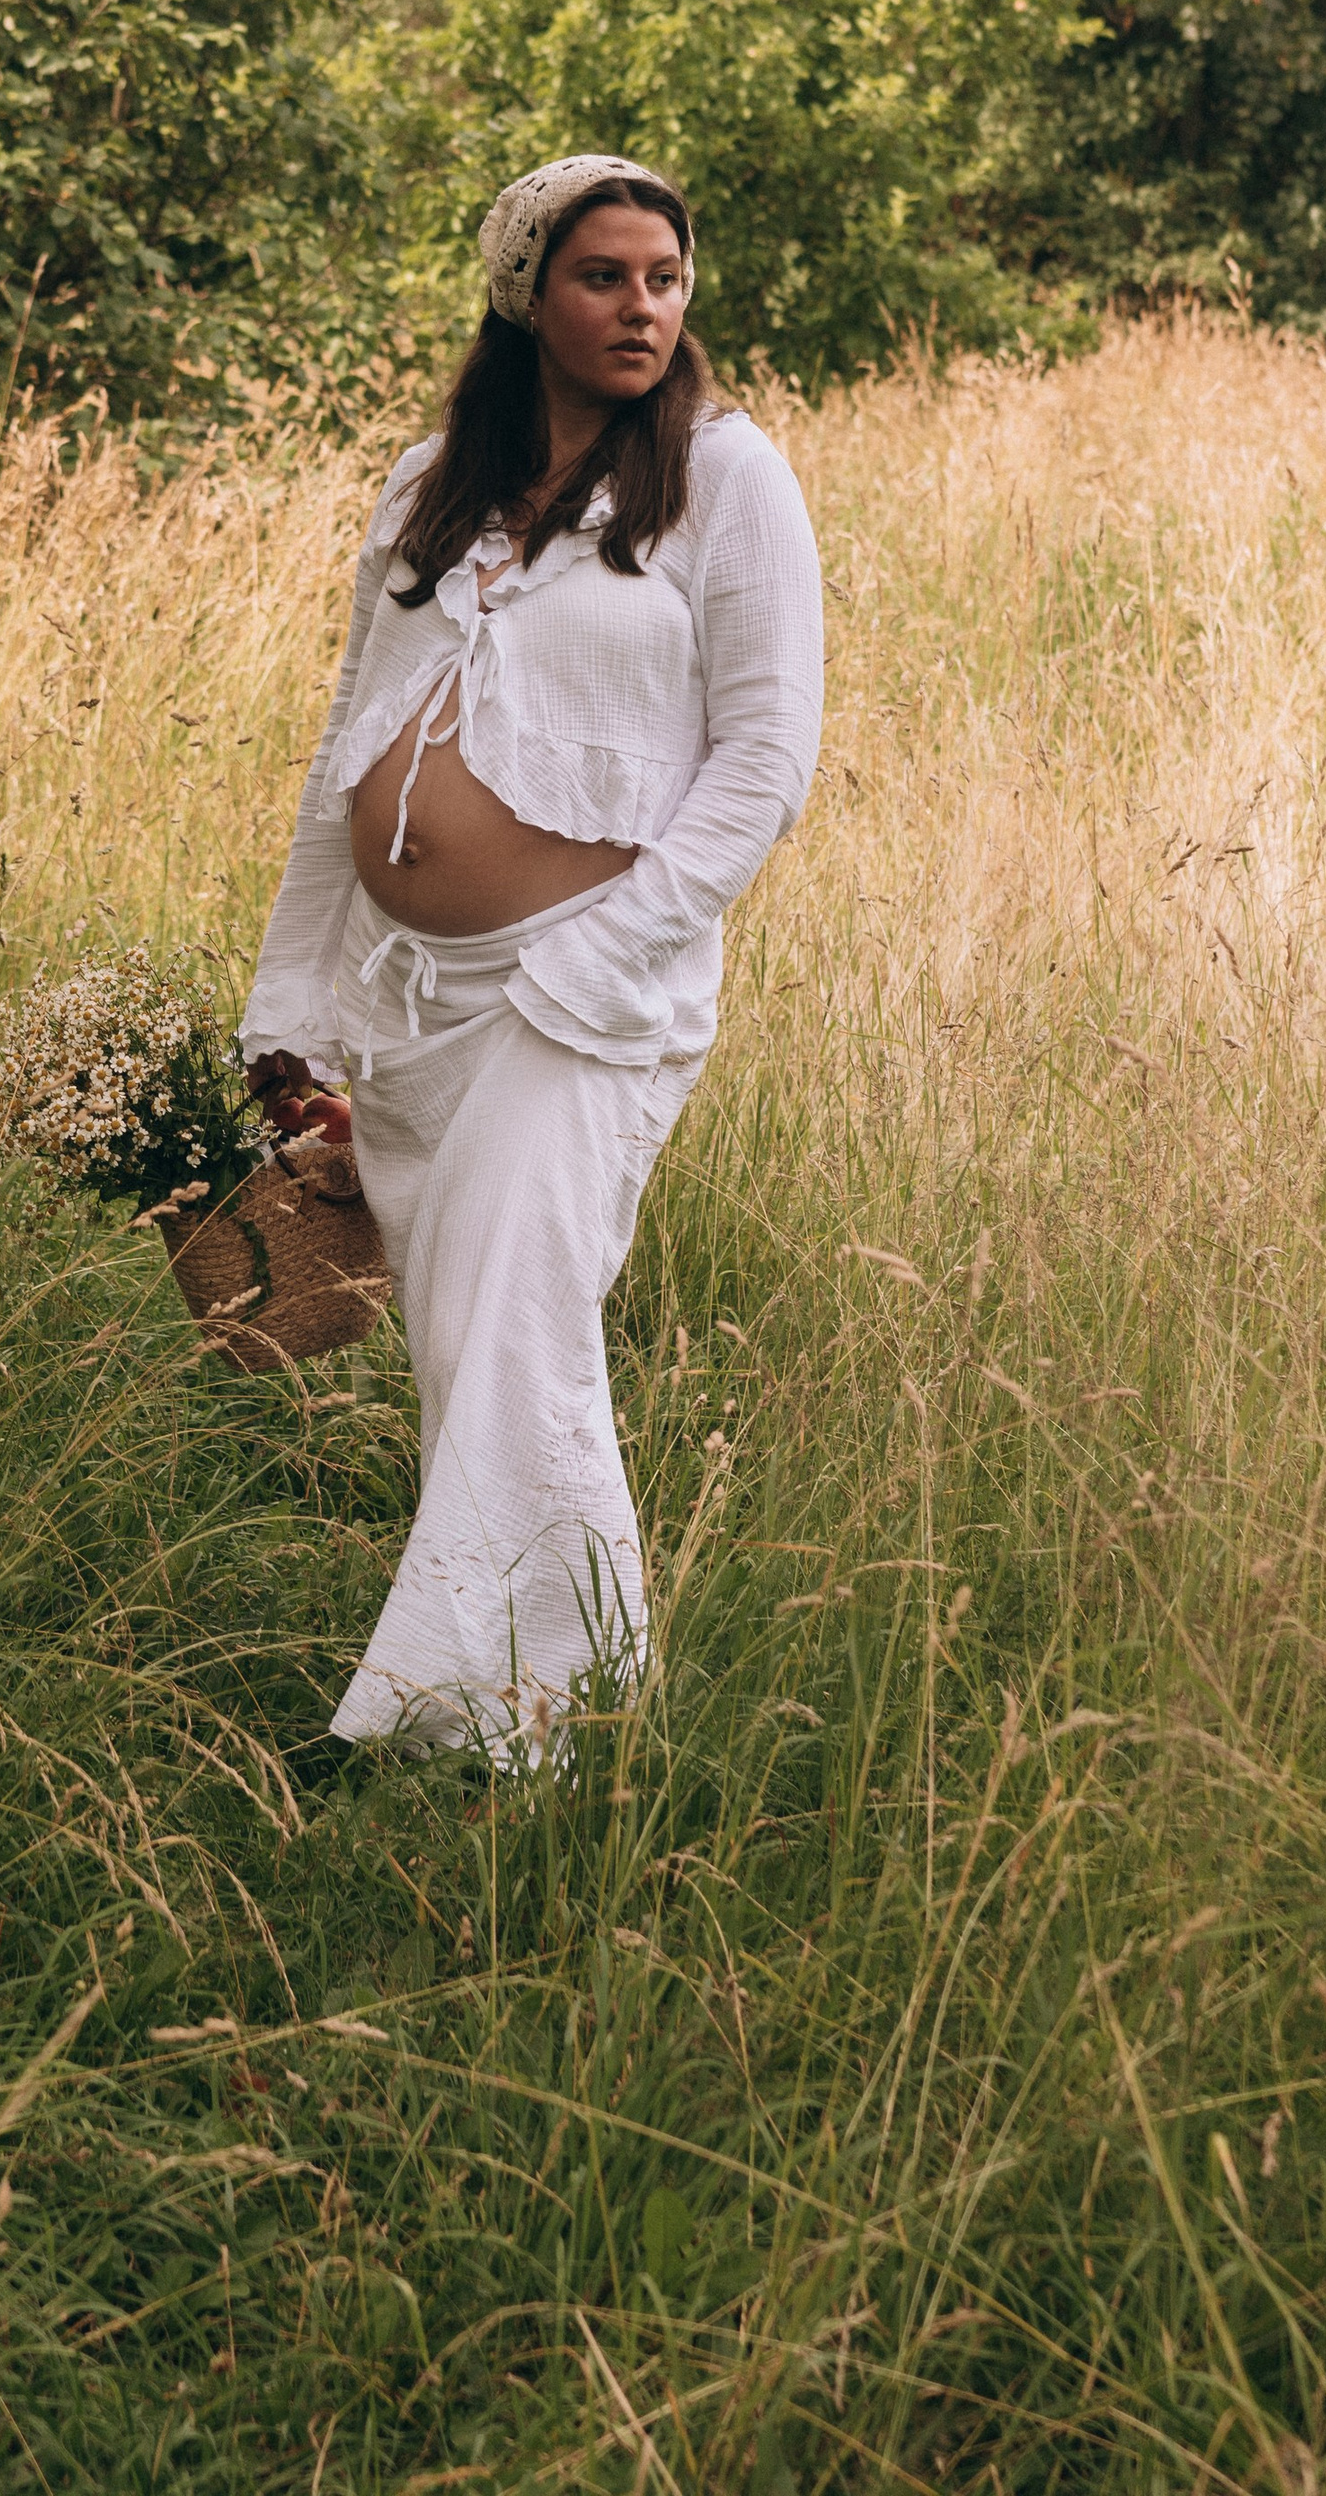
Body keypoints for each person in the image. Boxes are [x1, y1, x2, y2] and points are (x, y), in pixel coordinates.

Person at [241, 156, 823, 1762]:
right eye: (605, 277)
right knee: (476, 1351)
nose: (645, 306)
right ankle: (566, 1705)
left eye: (666, 277)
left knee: (511, 1330)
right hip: (410, 1006)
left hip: (582, 998)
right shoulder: (435, 483)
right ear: (525, 294)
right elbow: (345, 748)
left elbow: (766, 763)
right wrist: (289, 1011)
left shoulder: (727, 475)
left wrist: (595, 960)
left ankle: (418, 1726)